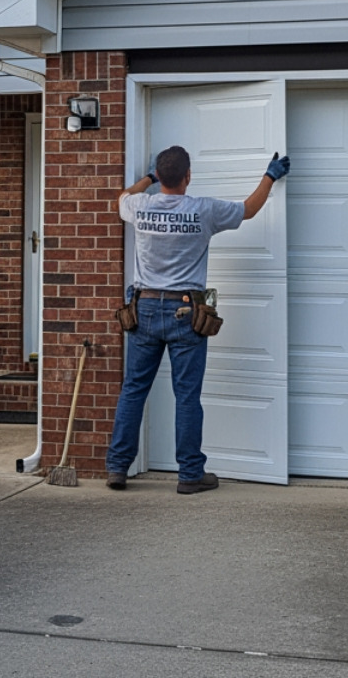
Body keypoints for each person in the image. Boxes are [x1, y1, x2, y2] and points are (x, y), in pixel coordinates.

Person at [105, 144, 290, 494]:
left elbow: (122, 197)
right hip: (185, 311)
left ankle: (117, 468)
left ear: (161, 177)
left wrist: (147, 178)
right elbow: (249, 210)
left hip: (143, 309)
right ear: (188, 176)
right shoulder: (204, 210)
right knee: (186, 395)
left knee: (133, 390)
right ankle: (190, 474)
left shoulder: (140, 206)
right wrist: (270, 176)